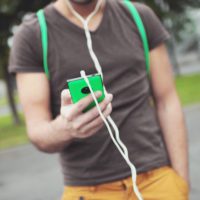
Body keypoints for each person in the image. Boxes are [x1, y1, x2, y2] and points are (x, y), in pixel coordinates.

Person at [8, 0, 189, 199]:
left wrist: (181, 182)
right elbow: (37, 131)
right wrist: (66, 128)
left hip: (158, 180)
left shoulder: (139, 16)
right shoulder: (32, 35)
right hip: (88, 190)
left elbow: (167, 102)